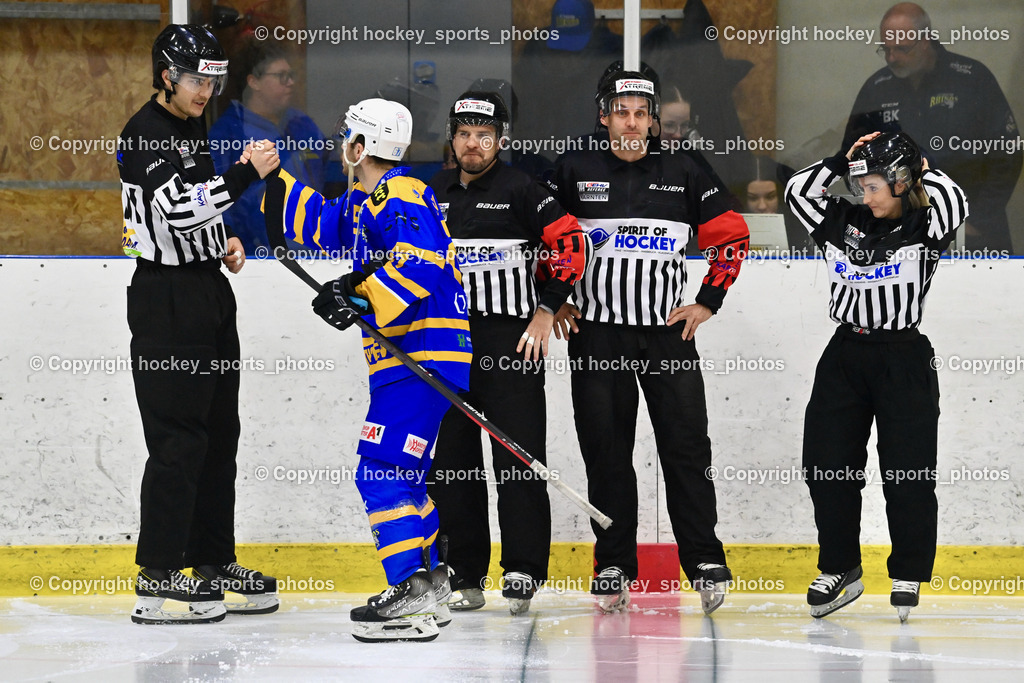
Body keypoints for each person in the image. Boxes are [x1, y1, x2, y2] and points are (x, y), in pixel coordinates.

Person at [263, 98, 470, 642]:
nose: (341, 145)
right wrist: (271, 178)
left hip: (420, 357)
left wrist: (357, 295)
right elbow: (323, 224)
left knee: (377, 472)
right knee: (404, 475)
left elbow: (420, 261)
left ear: (360, 146)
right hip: (413, 360)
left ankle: (407, 589)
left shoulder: (400, 192)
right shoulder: (366, 199)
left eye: (347, 136)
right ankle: (431, 584)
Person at [550, 67, 749, 614]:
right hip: (597, 335)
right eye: (622, 112)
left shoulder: (685, 168)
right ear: (604, 116)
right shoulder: (573, 167)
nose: (632, 123)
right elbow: (542, 236)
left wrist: (708, 299)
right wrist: (554, 296)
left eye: (642, 113)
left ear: (653, 119)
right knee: (607, 452)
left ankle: (704, 560)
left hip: (668, 336)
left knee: (686, 447)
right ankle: (614, 563)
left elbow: (731, 233)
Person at [119, 24, 280, 625]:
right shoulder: (145, 132)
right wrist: (246, 174)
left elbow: (197, 207)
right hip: (166, 299)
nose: (206, 91)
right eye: (195, 80)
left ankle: (212, 562)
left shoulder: (192, 125)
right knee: (178, 441)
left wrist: (226, 236)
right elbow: (181, 210)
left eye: (214, 80)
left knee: (218, 435)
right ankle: (157, 578)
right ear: (166, 76)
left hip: (207, 289)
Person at [784, 131, 968, 621]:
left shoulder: (926, 224)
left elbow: (957, 200)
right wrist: (841, 159)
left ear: (902, 181)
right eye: (859, 186)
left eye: (874, 186)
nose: (864, 196)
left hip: (903, 357)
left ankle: (908, 571)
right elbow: (798, 192)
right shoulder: (842, 220)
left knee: (907, 470)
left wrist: (919, 165)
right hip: (845, 354)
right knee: (826, 464)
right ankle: (840, 567)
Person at [428, 91, 590, 615]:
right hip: (444, 342)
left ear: (501, 139)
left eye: (485, 135)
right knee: (453, 464)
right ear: (452, 138)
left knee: (518, 457)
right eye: (464, 134)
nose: (473, 144)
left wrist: (546, 308)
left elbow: (573, 244)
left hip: (509, 343)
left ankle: (522, 568)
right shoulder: (430, 193)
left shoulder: (522, 189)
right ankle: (464, 572)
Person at [843, 2, 1020, 253]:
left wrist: (978, 219)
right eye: (886, 49)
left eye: (901, 49)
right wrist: (877, 212)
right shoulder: (877, 88)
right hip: (901, 233)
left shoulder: (971, 79)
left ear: (925, 41)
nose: (892, 58)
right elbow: (852, 159)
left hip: (972, 231)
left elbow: (1008, 153)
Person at [208, 39, 335, 254]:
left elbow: (330, 178)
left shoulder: (302, 125)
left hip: (317, 253)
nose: (290, 82)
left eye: (291, 75)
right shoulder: (227, 134)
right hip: (259, 257)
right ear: (254, 82)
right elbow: (219, 203)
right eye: (281, 76)